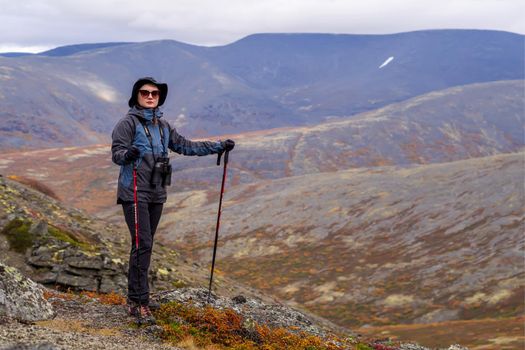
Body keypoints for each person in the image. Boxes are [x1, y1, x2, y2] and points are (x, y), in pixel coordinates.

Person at [111, 77, 234, 324]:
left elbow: (185, 146)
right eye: (145, 92)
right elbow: (117, 155)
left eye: (154, 94)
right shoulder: (127, 124)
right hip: (134, 192)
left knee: (146, 244)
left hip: (157, 192)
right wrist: (128, 154)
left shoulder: (163, 126)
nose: (149, 96)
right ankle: (137, 302)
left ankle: (140, 296)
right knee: (142, 244)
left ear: (159, 98)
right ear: (136, 95)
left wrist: (218, 146)